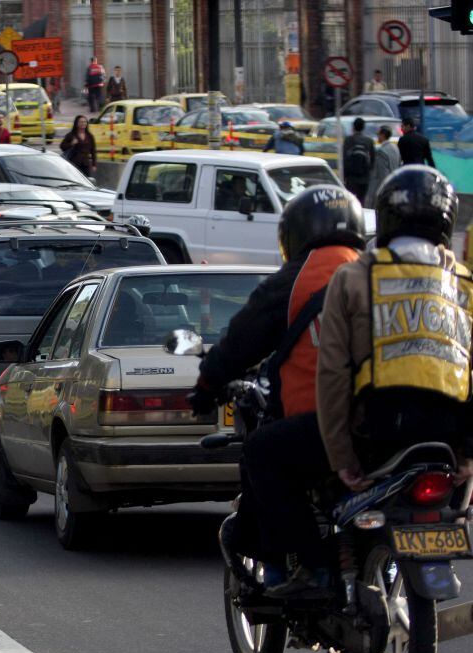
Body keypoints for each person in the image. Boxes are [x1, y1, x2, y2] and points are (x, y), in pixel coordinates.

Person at [190, 186, 366, 596]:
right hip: (386, 424)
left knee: (262, 454)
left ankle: (312, 567)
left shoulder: (296, 280)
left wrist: (205, 387)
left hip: (322, 423)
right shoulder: (375, 271)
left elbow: (240, 342)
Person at [317, 166, 473, 499]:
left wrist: (342, 459)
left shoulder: (352, 277)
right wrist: (469, 453)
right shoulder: (464, 281)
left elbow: (332, 374)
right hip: (451, 436)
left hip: (376, 433)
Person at [365, 126, 400, 207]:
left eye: (378, 134)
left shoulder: (381, 151)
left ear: (383, 135)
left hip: (383, 188)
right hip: (394, 186)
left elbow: (382, 174)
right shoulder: (395, 148)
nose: (377, 136)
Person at [342, 117, 375, 204]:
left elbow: (344, 159)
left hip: (351, 178)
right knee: (361, 201)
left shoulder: (348, 140)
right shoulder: (369, 141)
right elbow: (372, 160)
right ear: (363, 127)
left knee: (350, 202)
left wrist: (344, 176)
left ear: (353, 127)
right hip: (364, 178)